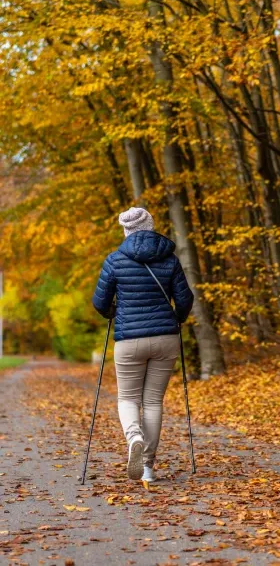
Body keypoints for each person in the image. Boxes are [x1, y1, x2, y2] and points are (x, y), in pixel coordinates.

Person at [92, 207, 194, 482]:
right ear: (150, 226)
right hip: (166, 338)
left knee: (128, 398)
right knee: (152, 402)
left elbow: (100, 302)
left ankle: (133, 436)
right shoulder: (170, 259)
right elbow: (185, 299)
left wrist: (114, 312)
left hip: (129, 340)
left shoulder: (114, 260)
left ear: (126, 231)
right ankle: (147, 467)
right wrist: (177, 318)